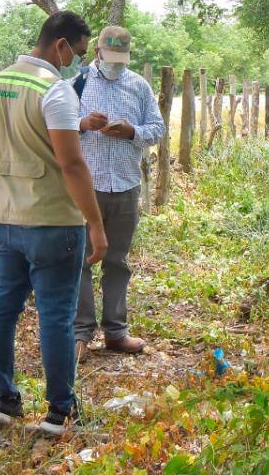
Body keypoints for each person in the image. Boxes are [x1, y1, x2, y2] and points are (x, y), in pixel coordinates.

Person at [0, 10, 109, 435]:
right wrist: (95, 222)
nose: (75, 61)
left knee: (3, 307)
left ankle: (3, 399)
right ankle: (59, 411)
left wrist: (4, 200)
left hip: (5, 217)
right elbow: (71, 163)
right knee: (56, 315)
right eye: (77, 52)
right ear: (60, 45)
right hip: (53, 221)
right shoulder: (55, 92)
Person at [71, 26, 165, 359]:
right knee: (81, 260)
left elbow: (157, 129)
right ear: (97, 51)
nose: (115, 64)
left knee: (117, 261)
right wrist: (84, 124)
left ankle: (116, 331)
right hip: (87, 185)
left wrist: (130, 132)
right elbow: (59, 125)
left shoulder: (139, 86)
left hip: (125, 183)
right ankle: (80, 334)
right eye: (110, 57)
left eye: (120, 59)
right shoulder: (77, 83)